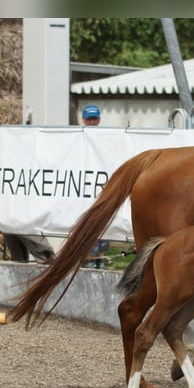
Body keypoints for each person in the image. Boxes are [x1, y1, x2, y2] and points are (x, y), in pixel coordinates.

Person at [81, 104, 109, 266]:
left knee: (103, 226)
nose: (92, 122)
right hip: (84, 188)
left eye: (95, 118)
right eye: (89, 119)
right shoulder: (80, 137)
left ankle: (101, 262)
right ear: (83, 119)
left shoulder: (105, 137)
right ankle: (90, 262)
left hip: (100, 186)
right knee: (88, 226)